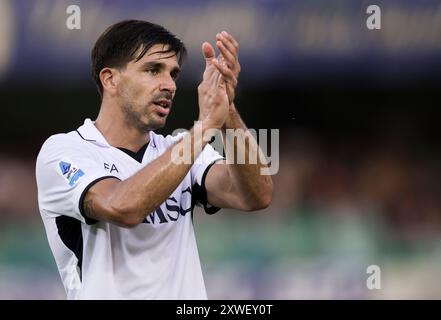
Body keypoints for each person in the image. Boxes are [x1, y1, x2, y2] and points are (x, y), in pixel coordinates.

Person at [36, 20, 273, 299]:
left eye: (173, 74)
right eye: (153, 70)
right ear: (110, 79)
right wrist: (205, 126)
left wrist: (227, 109)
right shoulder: (64, 151)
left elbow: (257, 196)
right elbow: (123, 207)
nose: (169, 85)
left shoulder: (178, 149)